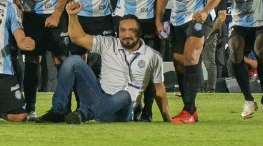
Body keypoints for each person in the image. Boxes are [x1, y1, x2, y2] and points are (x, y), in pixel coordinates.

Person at [37, 10, 171, 123]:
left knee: (124, 95)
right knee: (73, 60)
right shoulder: (108, 44)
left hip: (121, 111)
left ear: (139, 32)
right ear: (118, 32)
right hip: (99, 99)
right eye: (123, 30)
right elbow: (78, 38)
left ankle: (83, 115)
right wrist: (72, 16)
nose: (127, 35)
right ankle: (59, 110)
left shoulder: (153, 56)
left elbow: (159, 91)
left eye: (132, 30)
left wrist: (167, 119)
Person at [153, 0, 223, 123]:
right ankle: (190, 110)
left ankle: (189, 111)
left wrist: (205, 11)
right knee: (179, 62)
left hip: (199, 16)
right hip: (177, 19)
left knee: (191, 57)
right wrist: (158, 20)